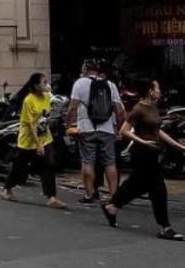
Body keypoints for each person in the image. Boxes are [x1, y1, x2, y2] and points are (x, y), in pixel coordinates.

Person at [102, 79, 185, 240]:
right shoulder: (138, 109)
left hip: (152, 152)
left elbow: (158, 131)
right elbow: (124, 130)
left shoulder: (152, 107)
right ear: (150, 91)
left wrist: (179, 146)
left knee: (137, 184)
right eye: (157, 88)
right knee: (158, 188)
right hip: (142, 153)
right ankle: (165, 227)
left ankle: (111, 206)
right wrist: (143, 141)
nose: (160, 91)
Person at [0, 73, 67, 208]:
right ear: (36, 86)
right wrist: (37, 145)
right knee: (20, 167)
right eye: (44, 82)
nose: (47, 84)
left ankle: (52, 197)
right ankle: (7, 188)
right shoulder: (28, 101)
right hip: (28, 141)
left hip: (45, 137)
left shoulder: (47, 97)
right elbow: (30, 125)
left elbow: (55, 106)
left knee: (49, 165)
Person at [66, 58, 126, 203]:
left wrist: (68, 125)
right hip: (107, 129)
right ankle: (114, 196)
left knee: (88, 161)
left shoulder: (79, 83)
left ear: (86, 68)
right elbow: (120, 111)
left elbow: (72, 107)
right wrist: (118, 129)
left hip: (86, 128)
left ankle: (89, 194)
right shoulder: (110, 85)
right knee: (110, 163)